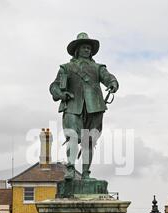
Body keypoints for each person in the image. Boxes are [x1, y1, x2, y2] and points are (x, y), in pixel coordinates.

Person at [50, 32, 119, 180]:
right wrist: (62, 94)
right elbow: (54, 86)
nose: (87, 50)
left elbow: (108, 77)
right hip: (73, 106)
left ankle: (86, 173)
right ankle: (70, 168)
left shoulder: (98, 67)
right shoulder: (66, 68)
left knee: (89, 140)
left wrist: (113, 83)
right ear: (77, 50)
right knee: (72, 136)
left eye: (89, 48)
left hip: (94, 108)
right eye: (84, 47)